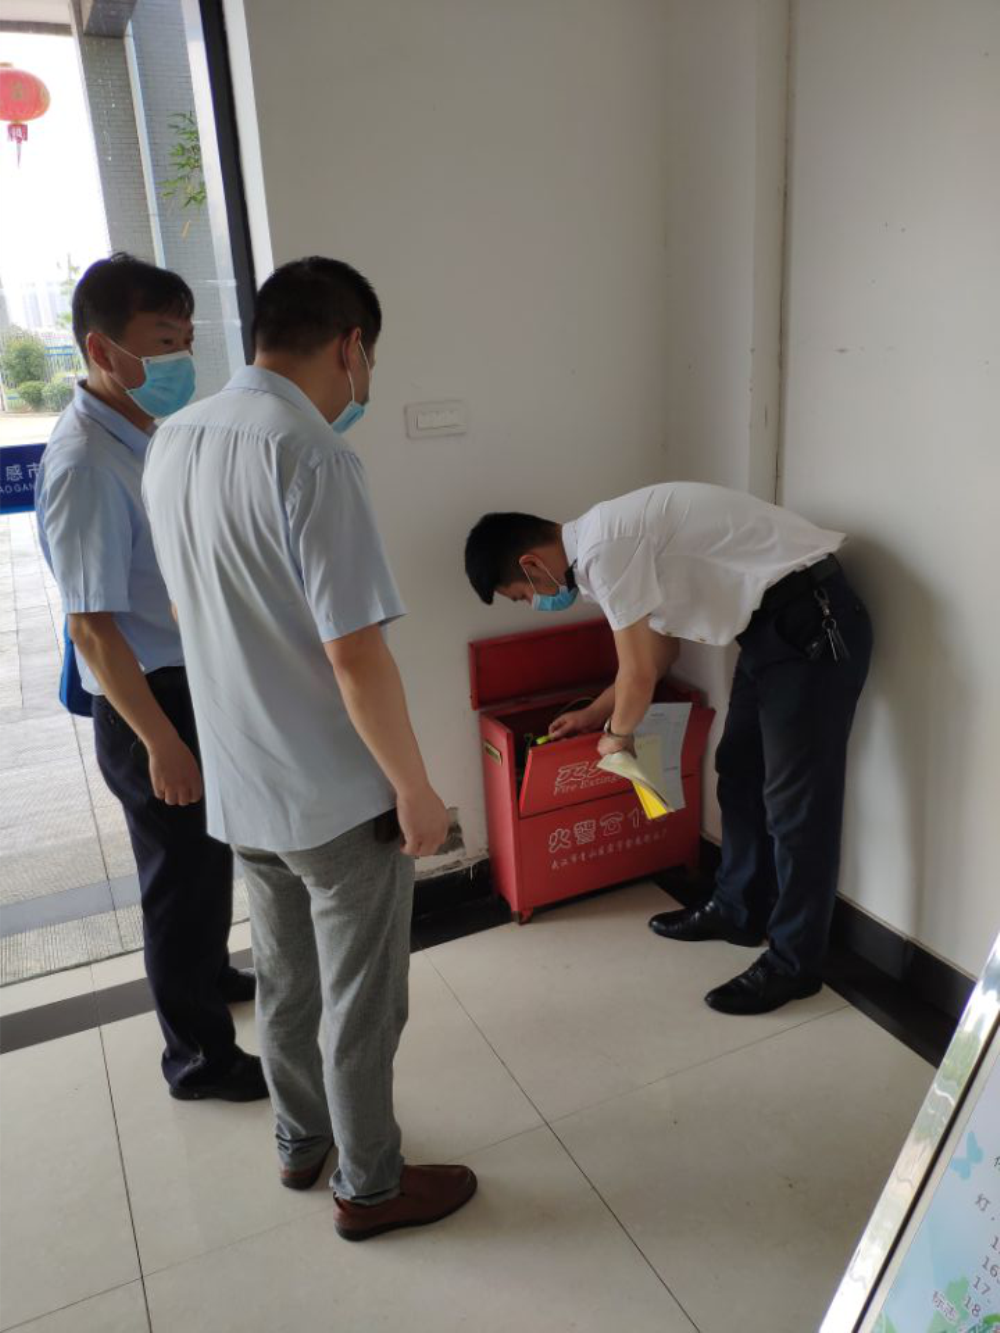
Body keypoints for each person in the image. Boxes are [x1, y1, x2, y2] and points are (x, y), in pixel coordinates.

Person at [143, 256, 477, 1241]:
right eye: (368, 361)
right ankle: (371, 1187)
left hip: (241, 782)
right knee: (364, 1000)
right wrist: (414, 787)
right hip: (332, 794)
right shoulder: (314, 454)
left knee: (286, 982)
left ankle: (300, 1140)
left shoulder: (175, 438)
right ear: (350, 345)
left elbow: (188, 611)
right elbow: (354, 652)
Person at [464, 482, 873, 1015]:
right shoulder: (601, 553)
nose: (535, 603)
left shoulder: (605, 549)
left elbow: (639, 675)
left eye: (522, 595)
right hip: (770, 633)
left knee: (797, 807)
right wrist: (594, 715)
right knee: (739, 770)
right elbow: (658, 655)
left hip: (811, 624)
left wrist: (617, 735)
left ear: (531, 563)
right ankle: (738, 908)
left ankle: (795, 964)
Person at [35, 253, 264, 1101]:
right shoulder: (87, 463)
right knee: (178, 883)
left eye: (187, 338)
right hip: (148, 703)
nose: (182, 356)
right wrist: (161, 743)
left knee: (205, 866)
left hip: (183, 683)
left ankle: (212, 976)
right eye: (164, 340)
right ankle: (199, 1057)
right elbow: (92, 628)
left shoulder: (141, 431)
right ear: (102, 348)